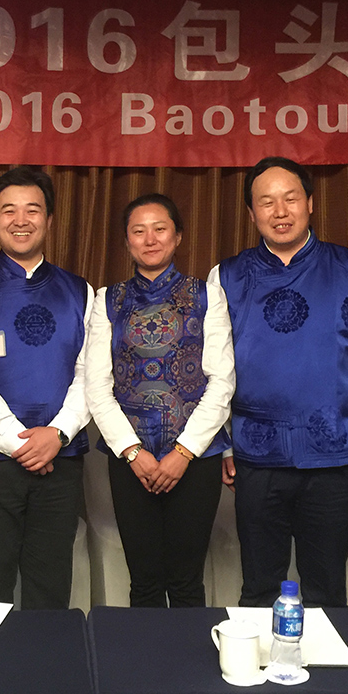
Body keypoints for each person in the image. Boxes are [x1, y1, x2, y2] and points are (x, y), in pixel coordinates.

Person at [211, 156, 348, 608]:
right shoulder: (227, 276)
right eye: (266, 202)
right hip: (256, 455)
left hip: (336, 453)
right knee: (259, 586)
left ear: (310, 203)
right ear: (251, 213)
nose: (280, 211)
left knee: (326, 587)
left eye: (290, 198)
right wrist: (225, 443)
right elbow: (216, 369)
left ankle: (325, 658)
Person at [0, 166, 93, 610]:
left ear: (49, 219)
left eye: (32, 210)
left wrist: (57, 434)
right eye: (9, 210)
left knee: (50, 586)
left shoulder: (80, 291)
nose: (20, 220)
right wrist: (19, 441)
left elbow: (92, 374)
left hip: (59, 459)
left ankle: (46, 659)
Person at [86, 193, 235, 607]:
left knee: (186, 582)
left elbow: (222, 381)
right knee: (144, 582)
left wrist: (183, 453)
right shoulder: (107, 300)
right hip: (130, 459)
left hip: (196, 458)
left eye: (160, 229)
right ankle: (144, 652)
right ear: (127, 241)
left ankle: (189, 652)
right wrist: (133, 453)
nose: (150, 239)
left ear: (178, 236)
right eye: (139, 231)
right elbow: (97, 386)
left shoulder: (207, 295)